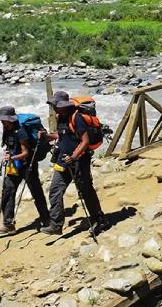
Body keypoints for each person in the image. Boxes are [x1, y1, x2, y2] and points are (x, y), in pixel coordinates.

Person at [41, 96, 107, 235]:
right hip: (63, 161)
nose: (53, 108)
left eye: (55, 105)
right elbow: (61, 134)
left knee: (85, 191)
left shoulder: (77, 118)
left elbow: (85, 141)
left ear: (64, 105)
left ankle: (98, 220)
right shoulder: (61, 117)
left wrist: (73, 157)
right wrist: (47, 136)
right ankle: (56, 225)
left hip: (79, 161)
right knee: (55, 190)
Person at [0, 106, 50, 235]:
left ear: (11, 120)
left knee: (36, 192)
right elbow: (10, 145)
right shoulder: (7, 129)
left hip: (27, 165)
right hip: (14, 166)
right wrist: (9, 153)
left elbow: (26, 152)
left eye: (4, 120)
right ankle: (8, 224)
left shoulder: (21, 131)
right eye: (2, 120)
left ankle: (46, 219)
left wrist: (12, 157)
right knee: (7, 192)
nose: (2, 122)